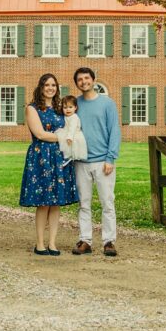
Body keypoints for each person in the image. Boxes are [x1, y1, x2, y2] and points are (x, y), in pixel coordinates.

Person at [19, 73, 78, 255]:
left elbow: (72, 127)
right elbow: (40, 134)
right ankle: (40, 244)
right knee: (43, 202)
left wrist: (71, 138)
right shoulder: (33, 108)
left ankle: (52, 243)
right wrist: (66, 138)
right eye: (47, 85)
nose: (50, 88)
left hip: (60, 158)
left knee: (56, 203)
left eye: (53, 85)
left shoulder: (62, 108)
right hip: (41, 157)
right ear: (41, 87)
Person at [70, 67, 121, 257]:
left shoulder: (107, 103)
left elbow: (114, 131)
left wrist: (110, 158)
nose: (84, 82)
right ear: (77, 83)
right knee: (84, 204)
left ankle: (109, 241)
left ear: (93, 79)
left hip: (103, 162)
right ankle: (85, 240)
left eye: (86, 78)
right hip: (81, 162)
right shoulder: (76, 104)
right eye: (80, 80)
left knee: (107, 202)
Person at [55, 95, 89, 169]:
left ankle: (69, 157)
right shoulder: (66, 116)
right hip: (67, 132)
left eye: (70, 107)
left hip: (74, 134)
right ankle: (67, 157)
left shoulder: (74, 117)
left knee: (71, 147)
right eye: (65, 107)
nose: (68, 110)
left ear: (75, 108)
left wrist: (69, 137)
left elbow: (72, 128)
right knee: (66, 146)